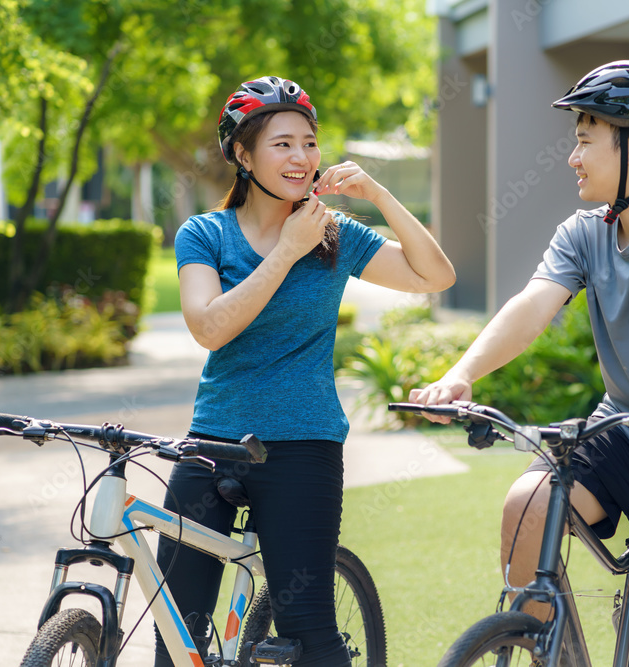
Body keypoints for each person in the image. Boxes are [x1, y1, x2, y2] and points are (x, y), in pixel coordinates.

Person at [411, 61, 629, 667]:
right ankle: (550, 653)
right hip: (624, 432)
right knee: (528, 502)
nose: (573, 155)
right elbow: (530, 308)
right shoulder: (583, 232)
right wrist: (459, 375)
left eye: (584, 139)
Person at [154, 75, 455, 667]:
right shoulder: (205, 234)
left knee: (309, 631)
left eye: (309, 142)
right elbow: (210, 326)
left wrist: (379, 195)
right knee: (177, 632)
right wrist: (286, 249)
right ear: (242, 155)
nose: (301, 157)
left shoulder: (334, 234)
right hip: (213, 440)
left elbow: (434, 276)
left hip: (303, 446)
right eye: (282, 144)